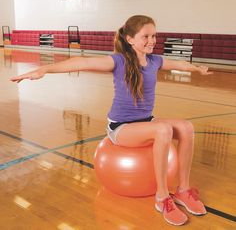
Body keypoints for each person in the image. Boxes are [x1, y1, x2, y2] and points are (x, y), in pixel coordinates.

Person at [11, 15, 212, 226]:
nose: (152, 40)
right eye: (146, 36)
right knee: (163, 130)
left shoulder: (154, 61)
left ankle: (183, 190)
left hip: (145, 121)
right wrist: (44, 69)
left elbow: (178, 64)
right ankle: (162, 198)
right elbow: (82, 62)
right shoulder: (118, 61)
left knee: (186, 127)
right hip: (121, 128)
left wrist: (197, 68)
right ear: (129, 39)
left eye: (154, 35)